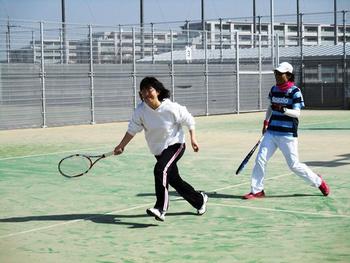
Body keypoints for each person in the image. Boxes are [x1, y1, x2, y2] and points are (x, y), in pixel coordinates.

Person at [114, 76, 208, 221]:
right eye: (143, 91)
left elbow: (189, 120)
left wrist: (193, 138)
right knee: (175, 180)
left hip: (175, 145)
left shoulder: (171, 108)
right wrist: (121, 145)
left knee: (160, 170)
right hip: (158, 150)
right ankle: (199, 200)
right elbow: (132, 129)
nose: (146, 94)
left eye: (149, 90)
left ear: (157, 91)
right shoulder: (140, 111)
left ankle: (160, 208)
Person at [243, 62, 330, 199]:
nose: (277, 75)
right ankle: (257, 190)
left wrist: (283, 109)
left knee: (294, 165)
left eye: (280, 73)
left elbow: (297, 113)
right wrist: (266, 122)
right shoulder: (273, 89)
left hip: (288, 135)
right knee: (260, 159)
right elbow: (270, 107)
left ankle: (318, 181)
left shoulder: (295, 92)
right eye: (276, 73)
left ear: (288, 75)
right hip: (271, 133)